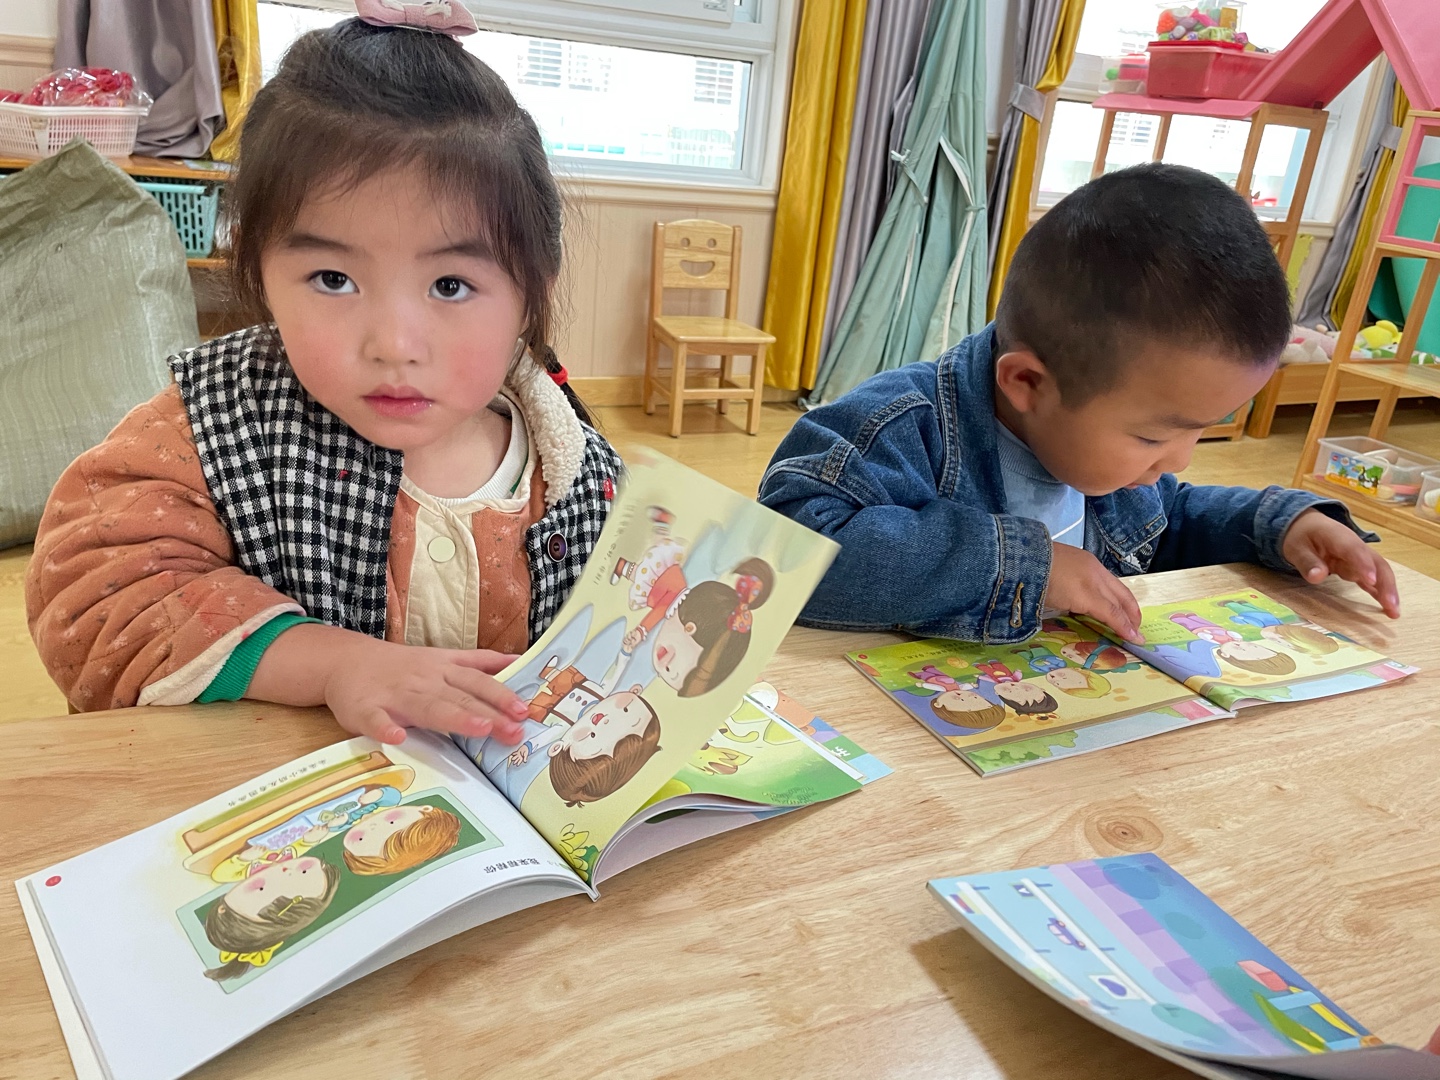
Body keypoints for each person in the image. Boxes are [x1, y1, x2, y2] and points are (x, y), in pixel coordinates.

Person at [26, 5, 622, 746]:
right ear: (258, 271)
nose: (394, 345)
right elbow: (93, 600)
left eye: (450, 286)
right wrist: (329, 663)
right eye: (334, 279)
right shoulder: (210, 425)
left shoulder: (582, 477)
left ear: (531, 291)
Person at [759, 164, 1398, 643]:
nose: (1177, 460)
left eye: (1200, 430)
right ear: (1027, 383)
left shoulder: (1107, 448)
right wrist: (1020, 566)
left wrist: (1277, 525)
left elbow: (1165, 522)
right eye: (1153, 437)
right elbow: (779, 557)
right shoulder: (899, 426)